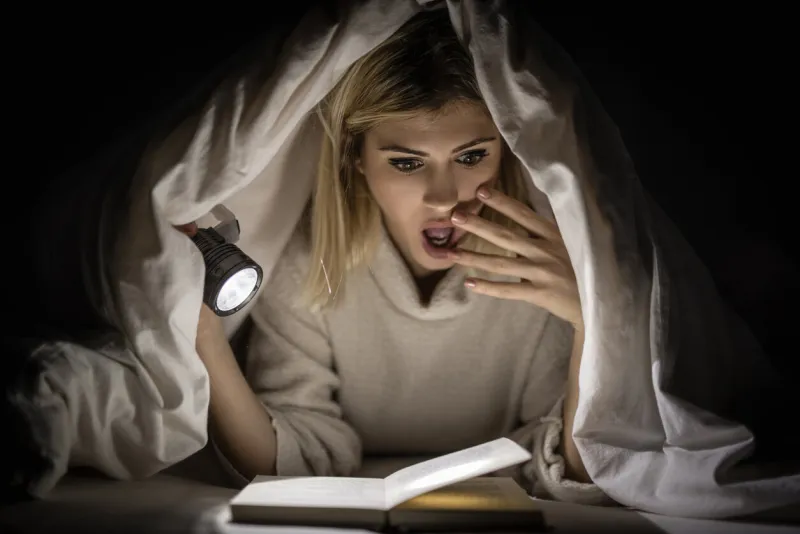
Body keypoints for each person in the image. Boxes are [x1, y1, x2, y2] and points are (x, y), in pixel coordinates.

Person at [185, 10, 607, 504]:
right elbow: (285, 457)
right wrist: (204, 338)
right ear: (357, 159)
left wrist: (587, 320)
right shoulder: (308, 262)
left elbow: (572, 466)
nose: (445, 197)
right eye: (407, 163)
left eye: (471, 156)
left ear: (507, 149)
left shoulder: (538, 271)